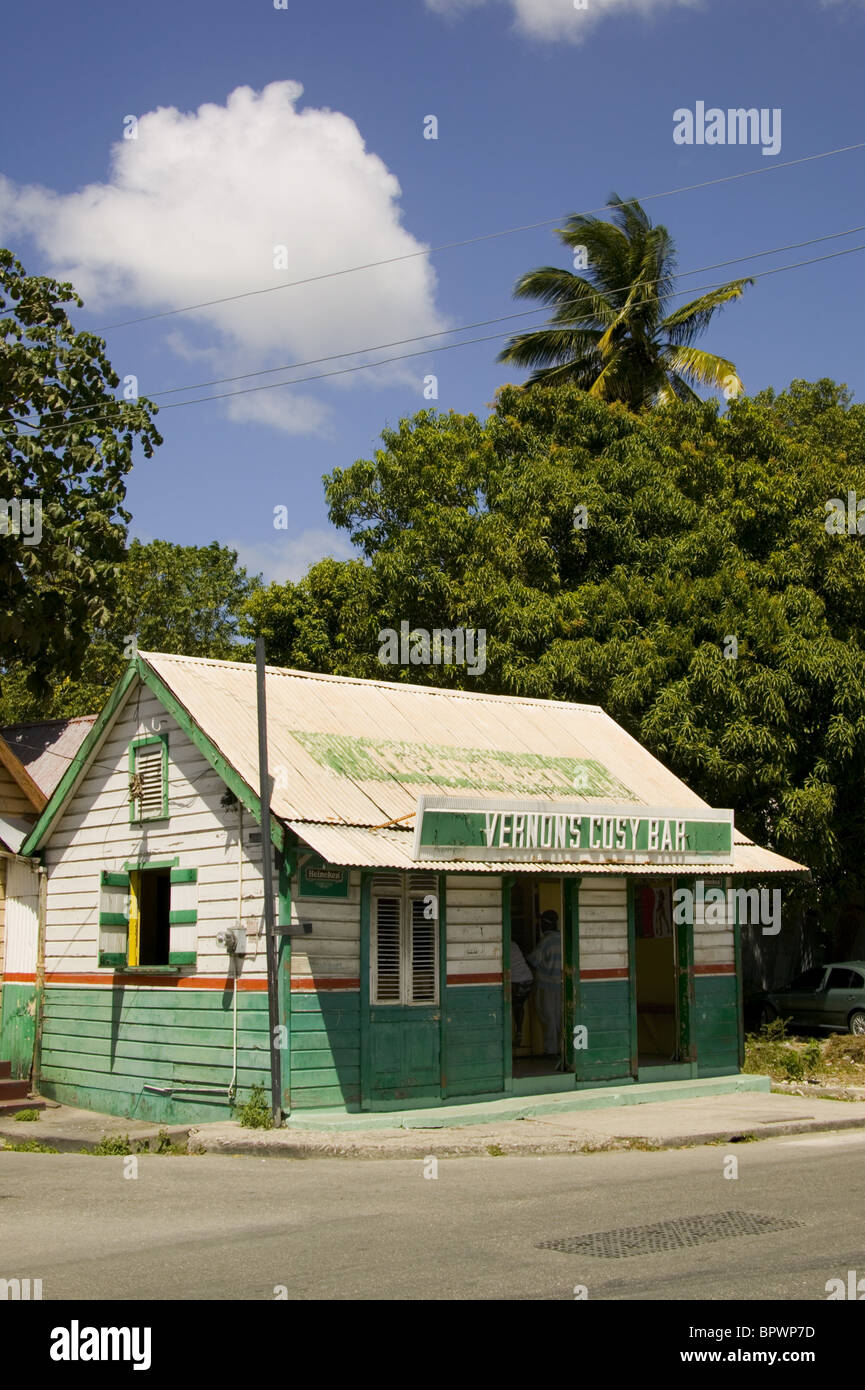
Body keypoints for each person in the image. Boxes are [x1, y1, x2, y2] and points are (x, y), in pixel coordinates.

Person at [528, 909, 562, 1057]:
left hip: (546, 988)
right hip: (562, 987)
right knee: (561, 1019)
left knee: (548, 1019)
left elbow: (533, 960)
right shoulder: (563, 939)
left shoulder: (545, 942)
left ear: (543, 925)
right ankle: (563, 1050)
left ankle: (551, 1051)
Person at [510, 940, 534, 1043]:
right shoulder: (513, 944)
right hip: (528, 979)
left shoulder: (503, 945)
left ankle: (518, 1034)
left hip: (517, 981)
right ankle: (519, 1033)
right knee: (518, 1006)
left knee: (516, 1006)